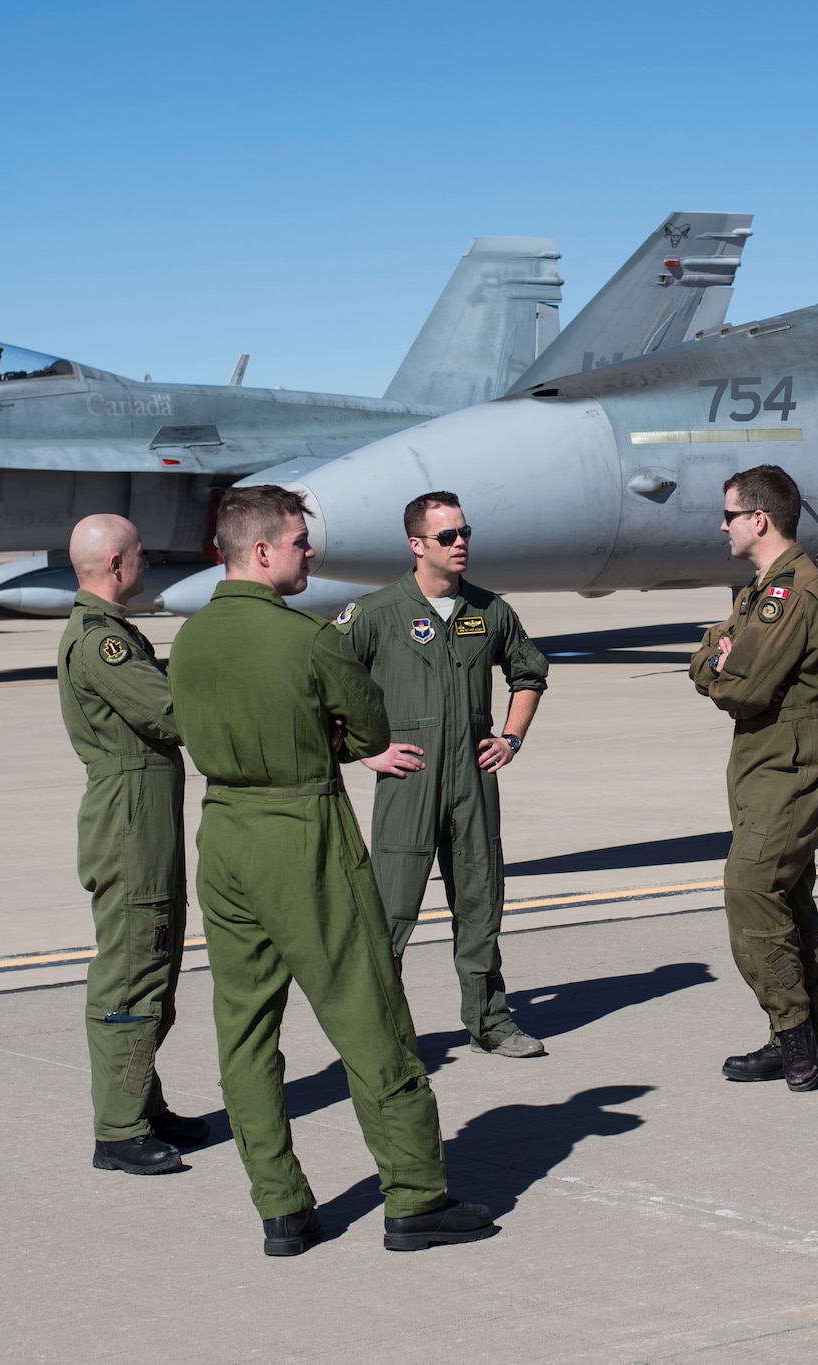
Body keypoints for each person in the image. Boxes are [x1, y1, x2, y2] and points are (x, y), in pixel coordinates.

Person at [167, 485, 495, 1256]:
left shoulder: (188, 639)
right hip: (302, 830)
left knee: (245, 1028)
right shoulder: (306, 638)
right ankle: (414, 1195)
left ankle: (281, 1208)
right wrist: (337, 732)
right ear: (260, 552)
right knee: (368, 1010)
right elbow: (372, 724)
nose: (308, 551)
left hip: (223, 834)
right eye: (297, 541)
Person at [337, 491, 549, 1057]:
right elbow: (327, 685)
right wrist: (365, 750)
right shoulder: (376, 613)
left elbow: (529, 674)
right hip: (409, 782)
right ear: (416, 545)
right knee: (390, 911)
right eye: (447, 536)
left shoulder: (490, 610)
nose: (461, 545)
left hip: (474, 783)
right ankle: (381, 1037)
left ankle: (491, 1022)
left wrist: (511, 738)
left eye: (465, 533)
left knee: (481, 902)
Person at [56, 513, 206, 1175]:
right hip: (128, 820)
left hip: (144, 814)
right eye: (141, 554)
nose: (147, 563)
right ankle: (118, 1129)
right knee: (134, 965)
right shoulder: (101, 642)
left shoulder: (111, 631)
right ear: (117, 563)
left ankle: (142, 1100)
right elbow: (169, 711)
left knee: (158, 958)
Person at [688, 465, 818, 1091]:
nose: (722, 525)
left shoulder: (791, 594)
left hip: (791, 752)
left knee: (750, 887)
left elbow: (741, 688)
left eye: (729, 515)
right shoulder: (760, 590)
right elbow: (707, 659)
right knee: (784, 894)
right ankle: (794, 1034)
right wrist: (717, 663)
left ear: (760, 519)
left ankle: (797, 1033)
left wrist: (722, 667)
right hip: (762, 757)